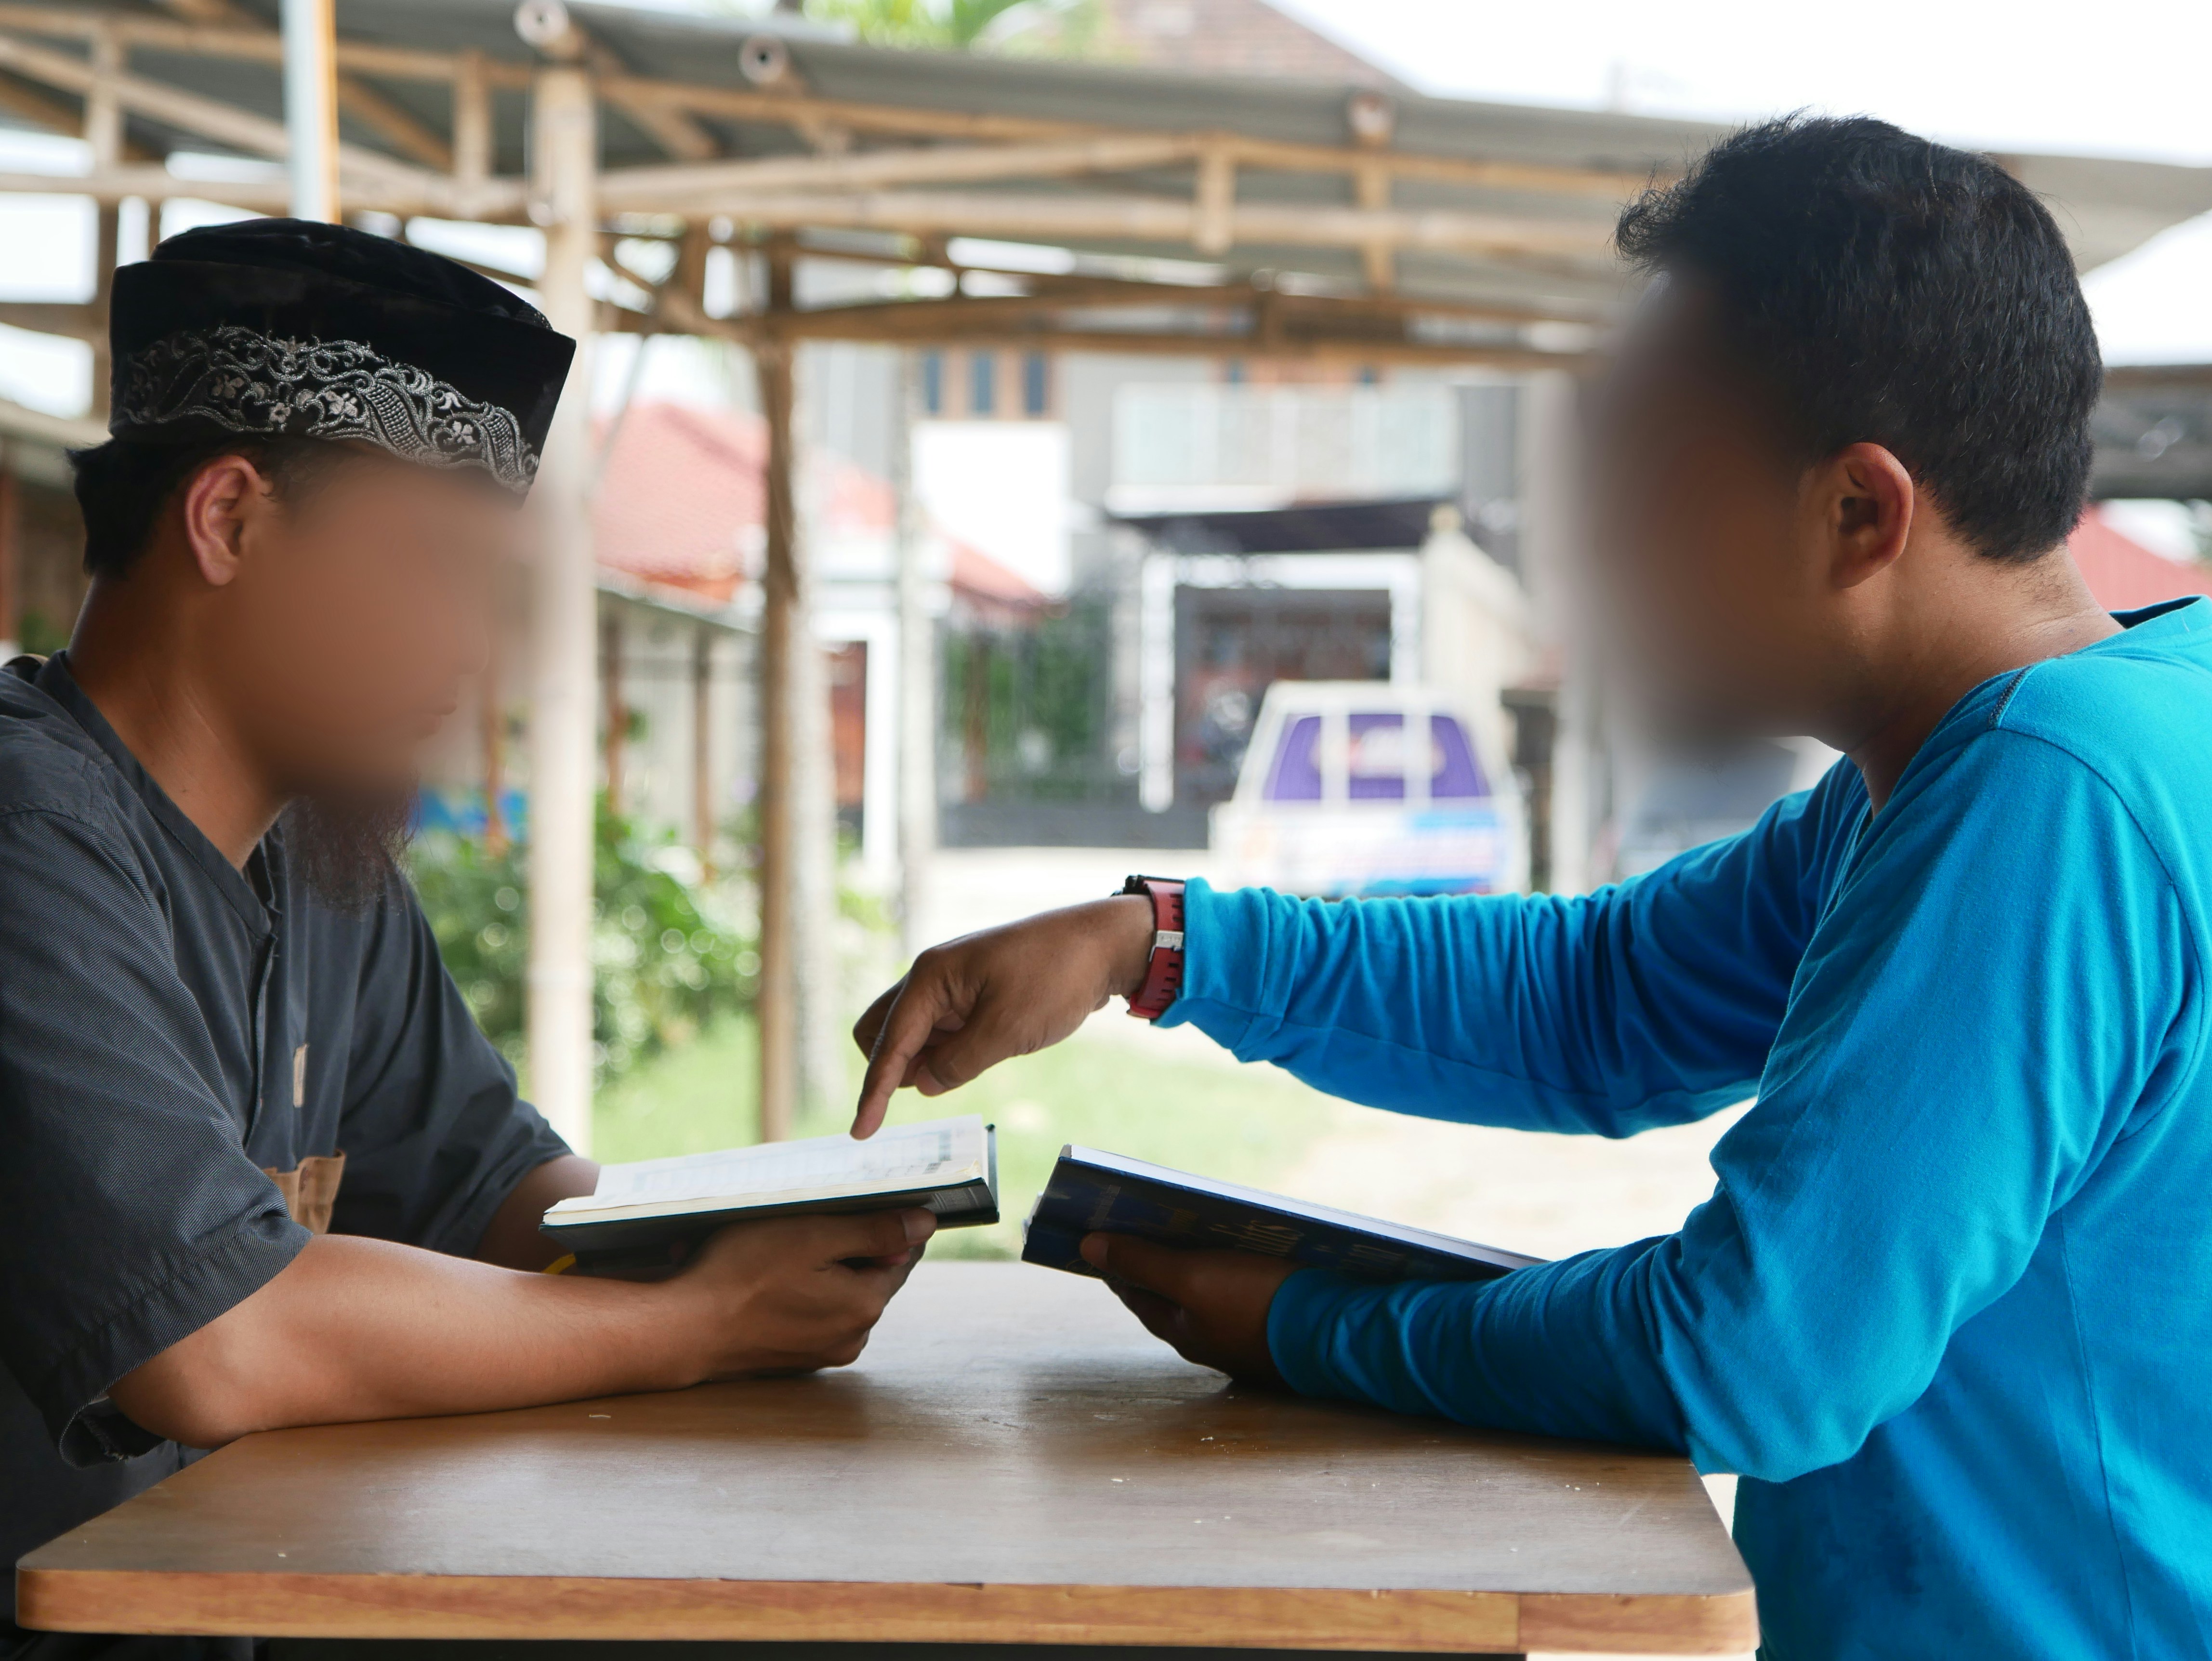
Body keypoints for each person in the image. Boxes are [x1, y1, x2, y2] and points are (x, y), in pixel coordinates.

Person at [849, 117, 2212, 1660]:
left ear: (1858, 514)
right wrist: (1157, 944)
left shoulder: (2046, 791)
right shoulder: (2045, 743)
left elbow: (1755, 1353)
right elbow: (1606, 1001)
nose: (1606, 569)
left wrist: (1304, 1330)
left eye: (1655, 496)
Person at [0, 220, 933, 1661]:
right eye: (429, 563)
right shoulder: (27, 831)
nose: (465, 648)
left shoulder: (319, 865)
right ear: (231, 520)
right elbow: (215, 1342)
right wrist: (692, 1326)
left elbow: (511, 1202)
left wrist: (759, 1240)